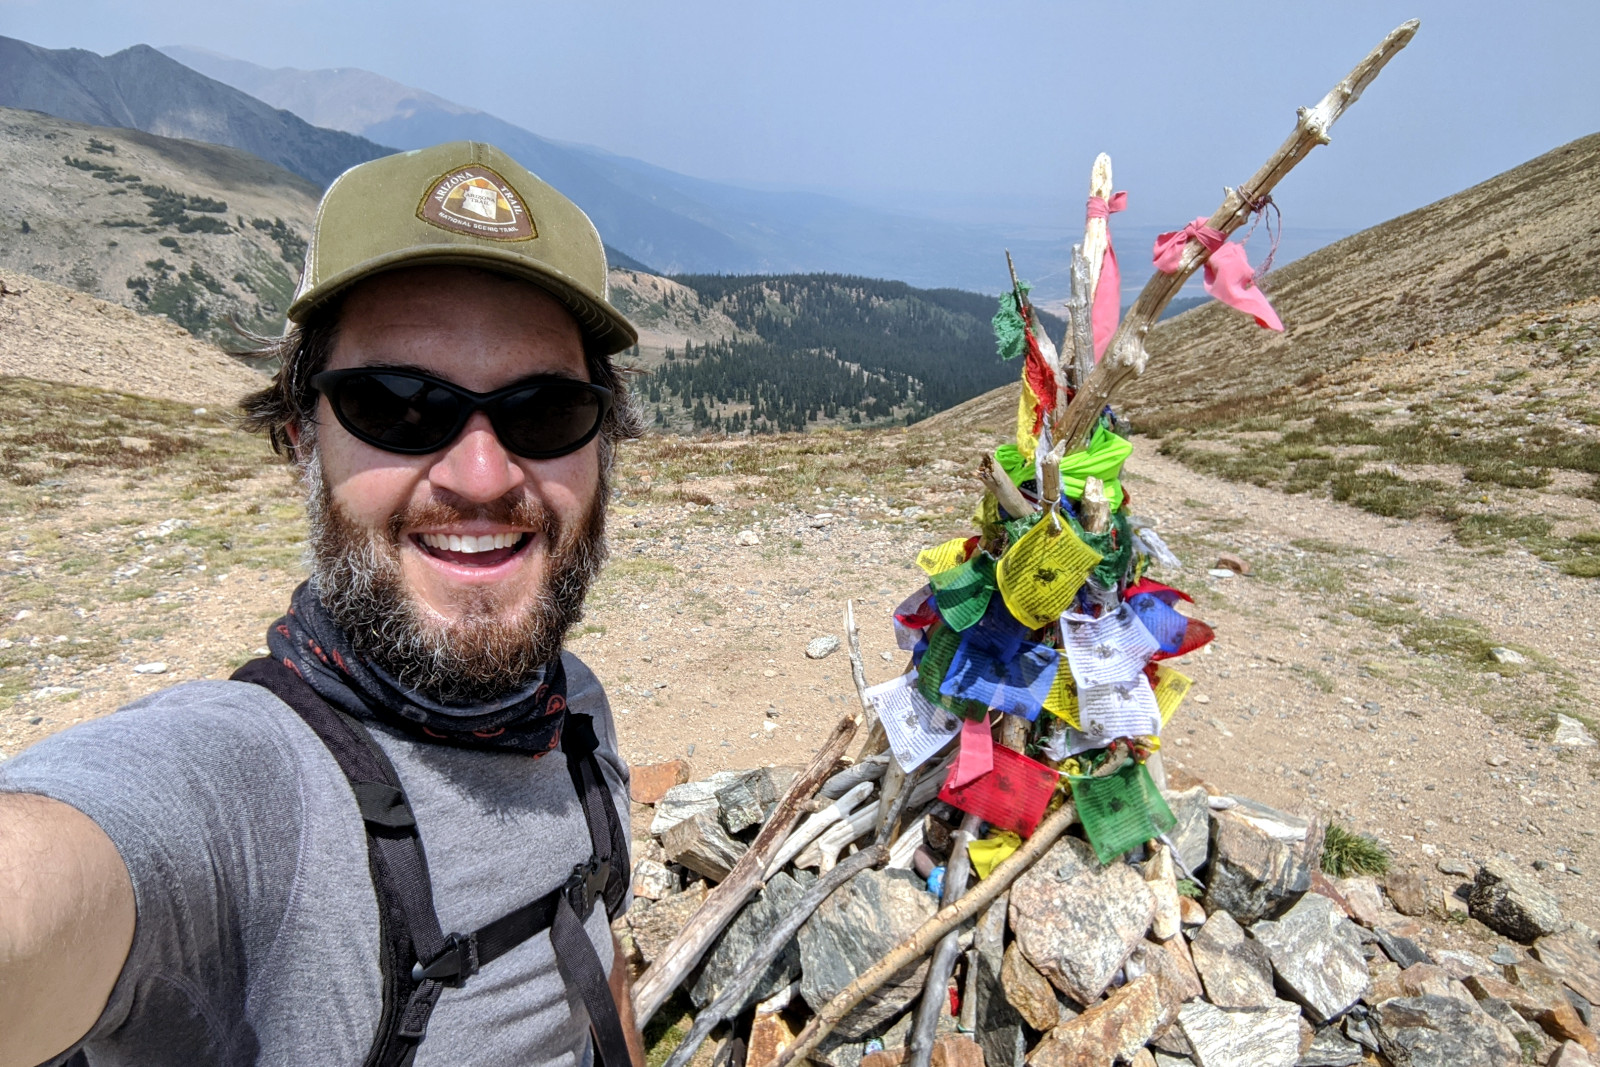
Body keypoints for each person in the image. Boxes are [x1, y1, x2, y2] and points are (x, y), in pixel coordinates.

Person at [0, 141, 649, 1067]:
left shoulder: (572, 708)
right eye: (397, 405)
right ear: (303, 437)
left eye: (544, 410)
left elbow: (590, 960)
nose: (481, 472)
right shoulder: (252, 789)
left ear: (601, 447)